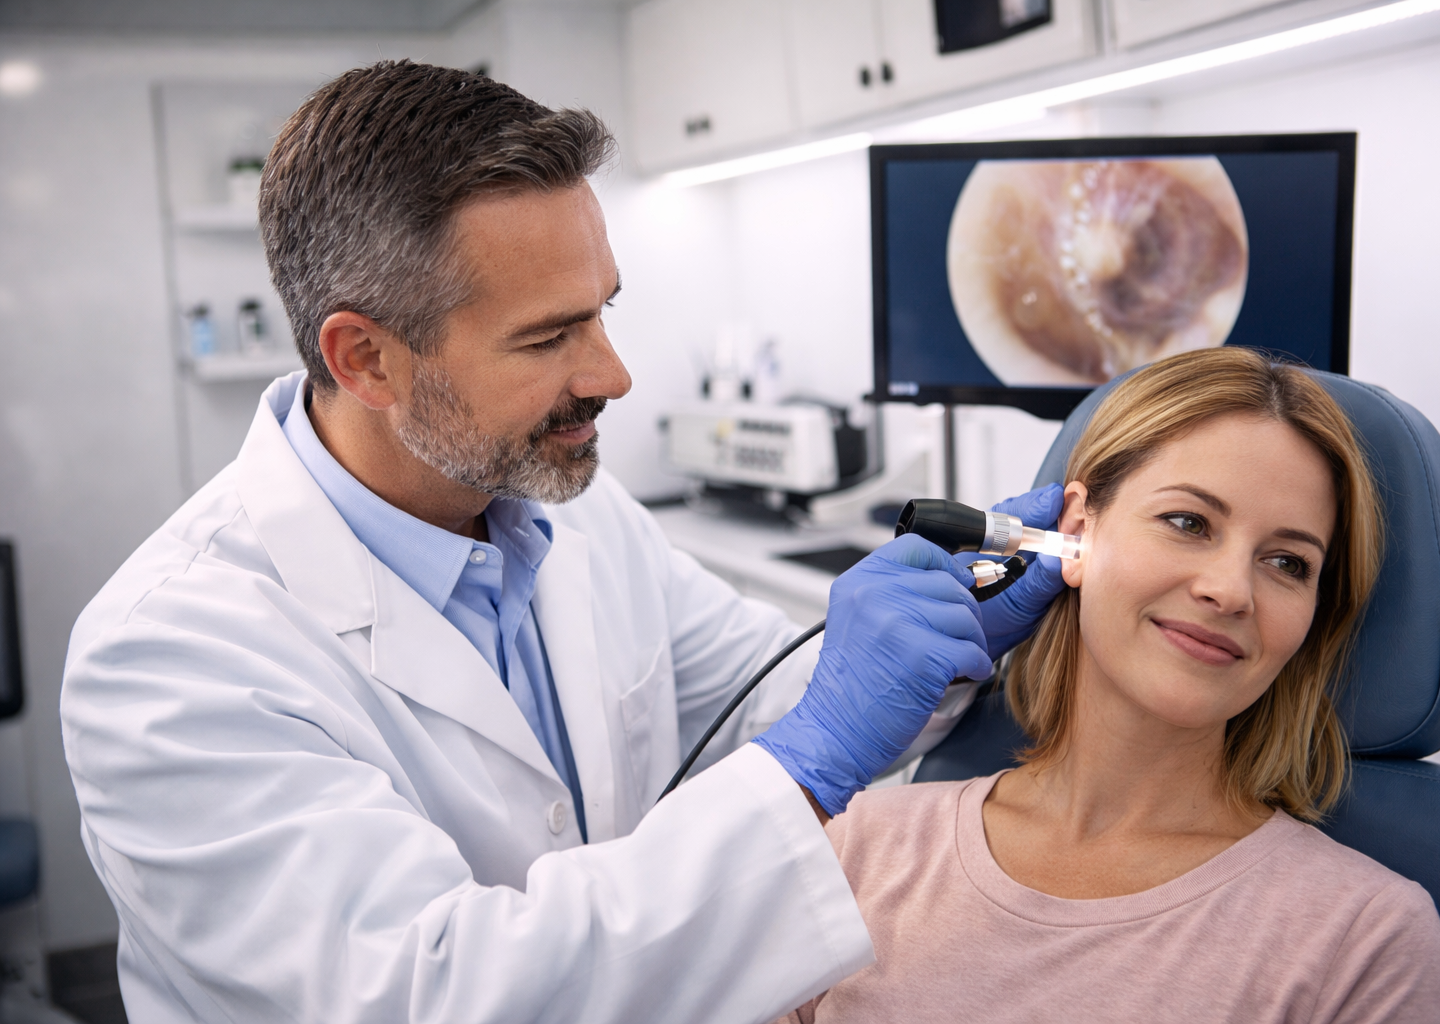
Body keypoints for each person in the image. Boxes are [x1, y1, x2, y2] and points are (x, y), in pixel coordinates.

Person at [59, 62, 1066, 1024]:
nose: (613, 375)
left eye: (602, 312)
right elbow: (436, 996)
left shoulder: (575, 512)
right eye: (548, 337)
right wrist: (813, 761)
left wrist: (944, 651)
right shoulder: (171, 657)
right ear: (364, 358)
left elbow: (760, 699)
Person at [778, 348, 1440, 1024]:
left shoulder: (1365, 940)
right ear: (1077, 532)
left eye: (1287, 562)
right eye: (1188, 523)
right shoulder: (858, 847)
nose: (1230, 591)